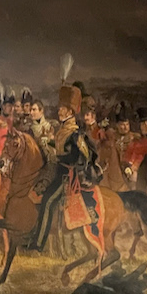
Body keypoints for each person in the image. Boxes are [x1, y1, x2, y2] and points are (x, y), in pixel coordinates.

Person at [29, 84, 93, 251]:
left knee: (48, 202)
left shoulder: (74, 133)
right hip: (57, 170)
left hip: (66, 175)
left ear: (70, 112)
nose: (59, 110)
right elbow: (60, 147)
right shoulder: (63, 129)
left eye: (62, 108)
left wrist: (58, 157)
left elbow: (78, 157)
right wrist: (49, 142)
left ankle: (38, 243)